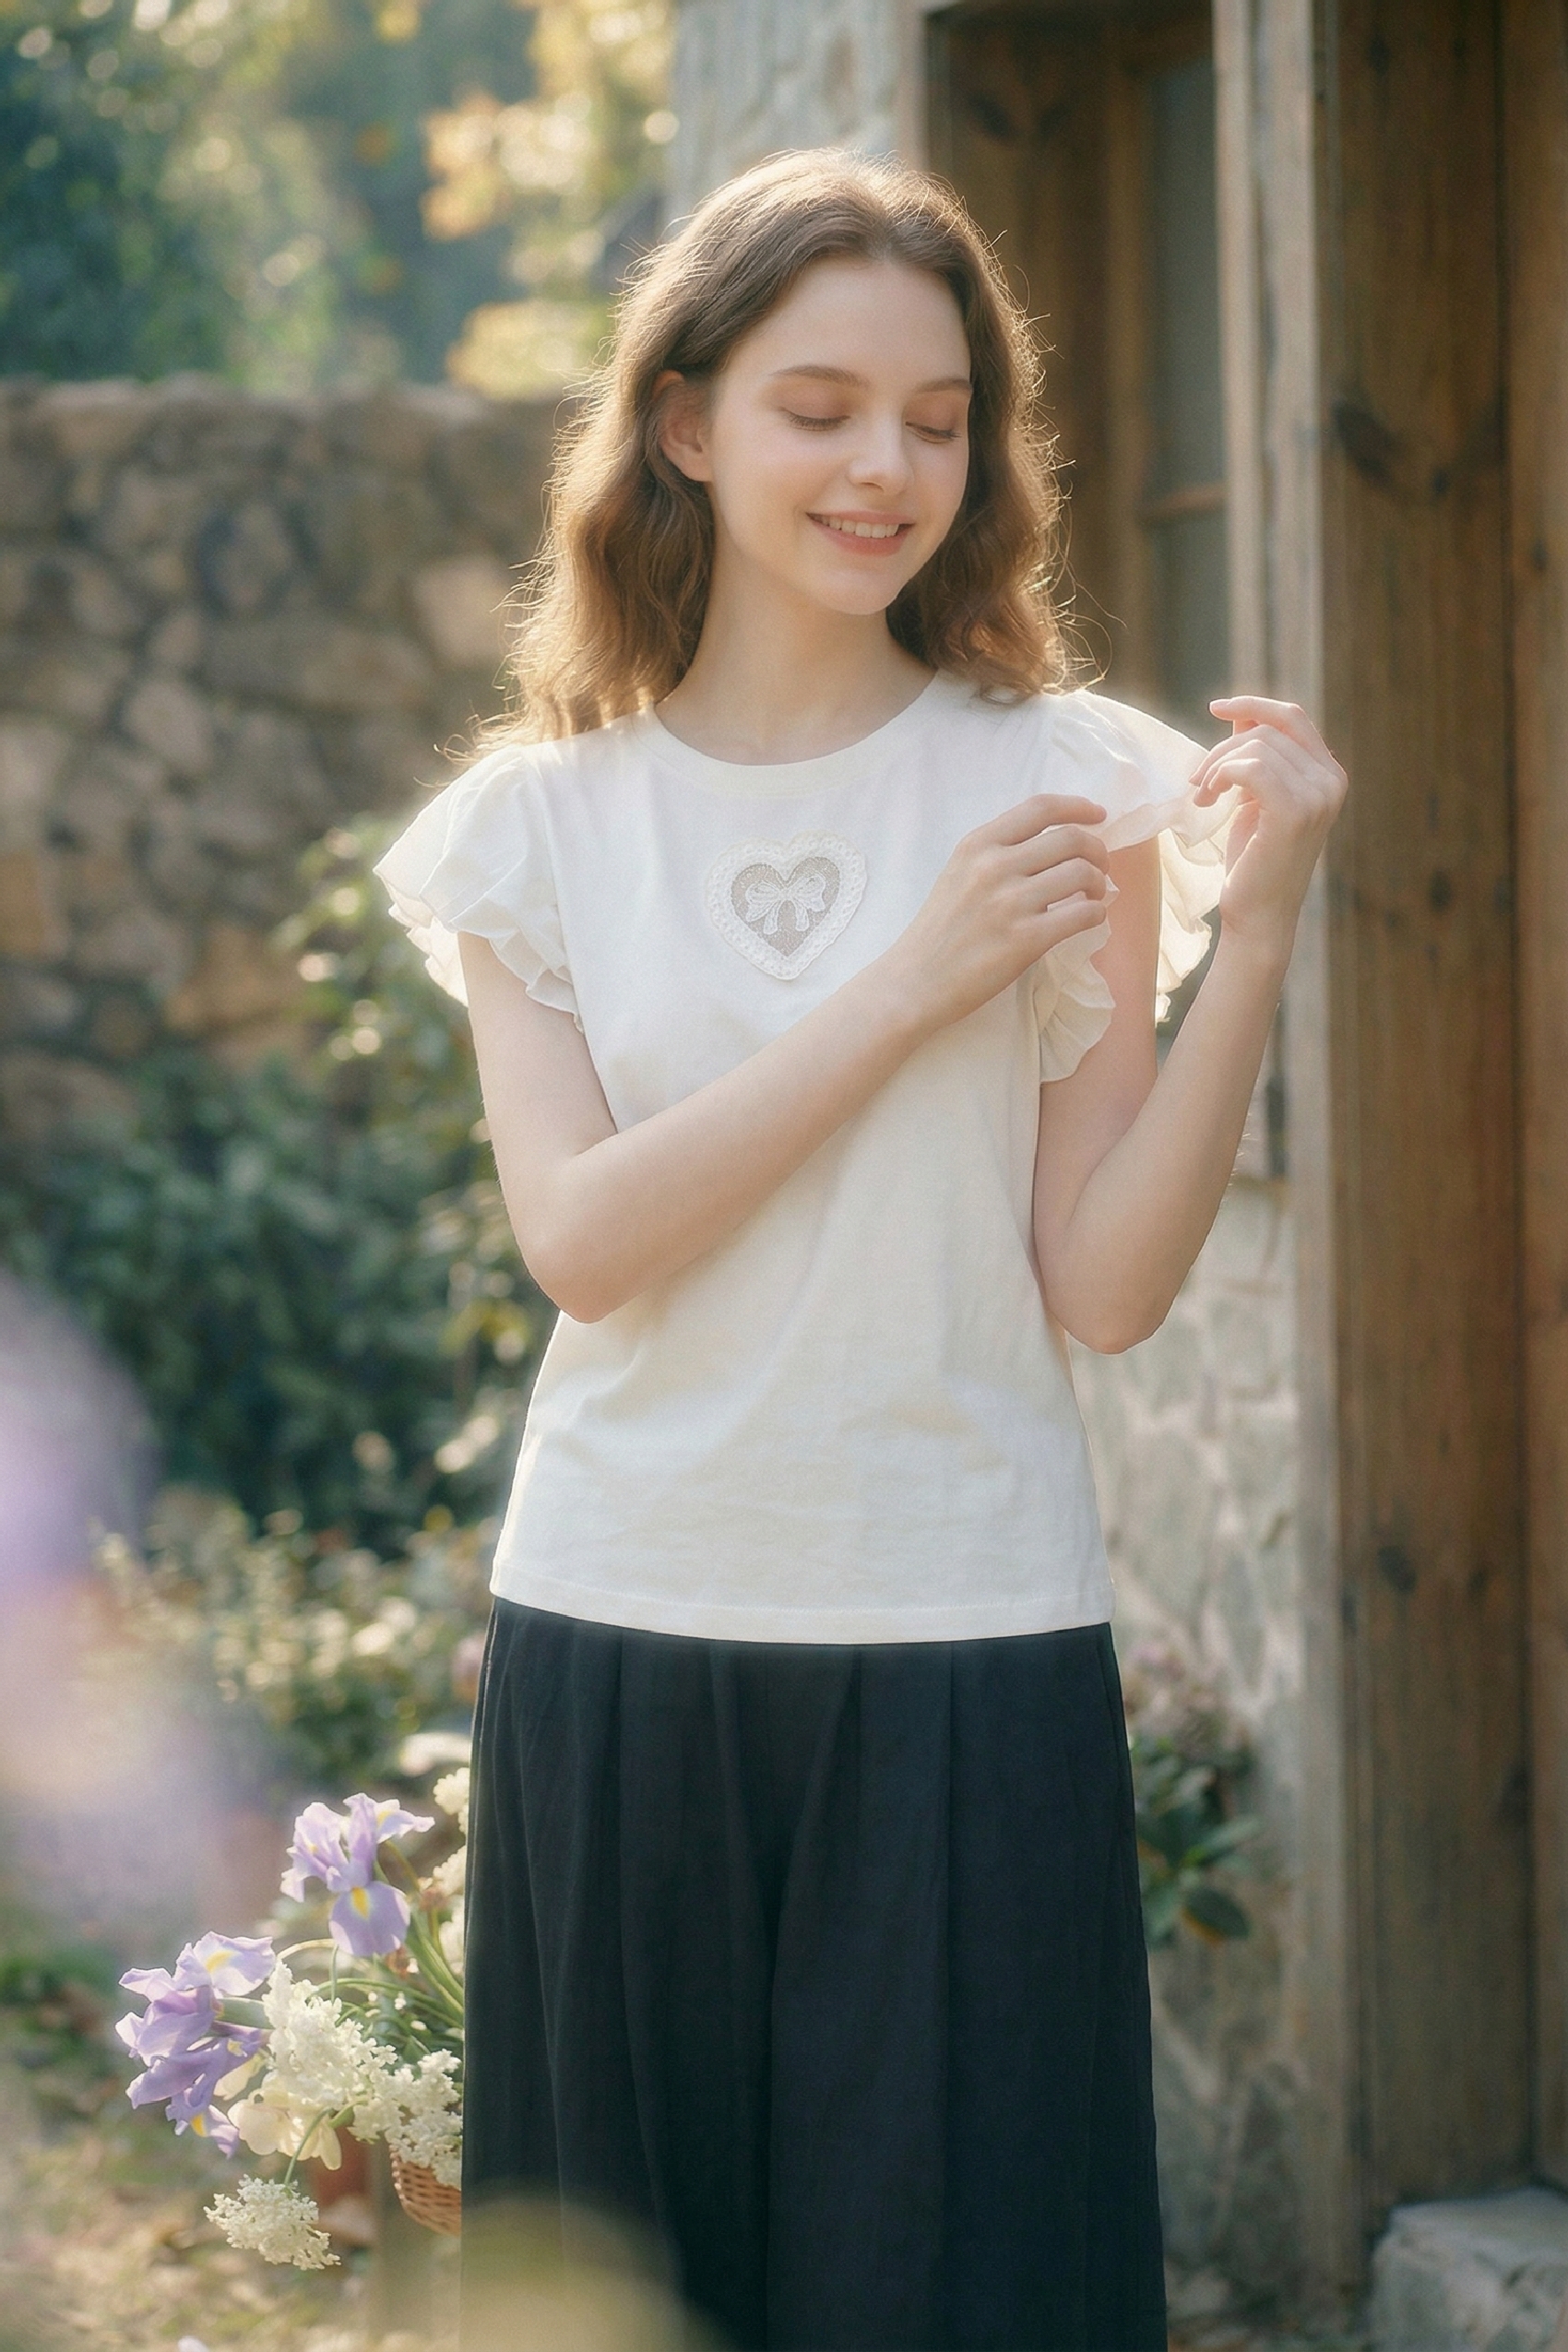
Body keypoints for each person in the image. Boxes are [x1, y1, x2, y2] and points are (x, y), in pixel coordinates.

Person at [377, 148, 1346, 2352]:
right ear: (688, 421)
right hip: (623, 1624)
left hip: (963, 1624)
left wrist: (1259, 932)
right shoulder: (538, 827)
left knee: (969, 2290)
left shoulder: (1072, 790)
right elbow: (586, 1245)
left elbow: (1097, 1286)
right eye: (823, 406)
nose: (888, 465)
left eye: (940, 416)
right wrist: (907, 987)